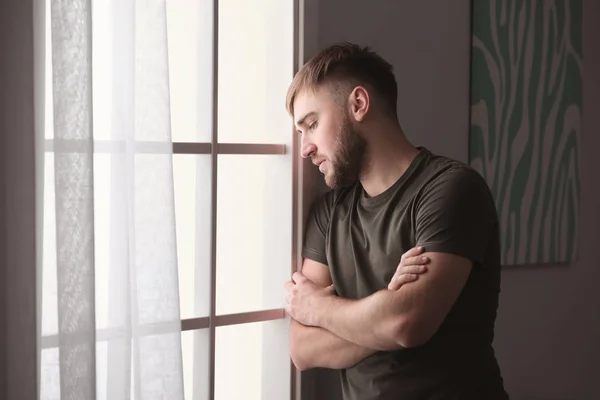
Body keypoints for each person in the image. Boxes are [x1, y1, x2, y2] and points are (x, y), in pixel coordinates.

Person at [283, 42, 508, 400]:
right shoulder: (330, 212)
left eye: (312, 124)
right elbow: (302, 349)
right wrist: (386, 304)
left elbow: (405, 324)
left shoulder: (452, 189)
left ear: (358, 104)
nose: (305, 147)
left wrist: (318, 307)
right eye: (300, 133)